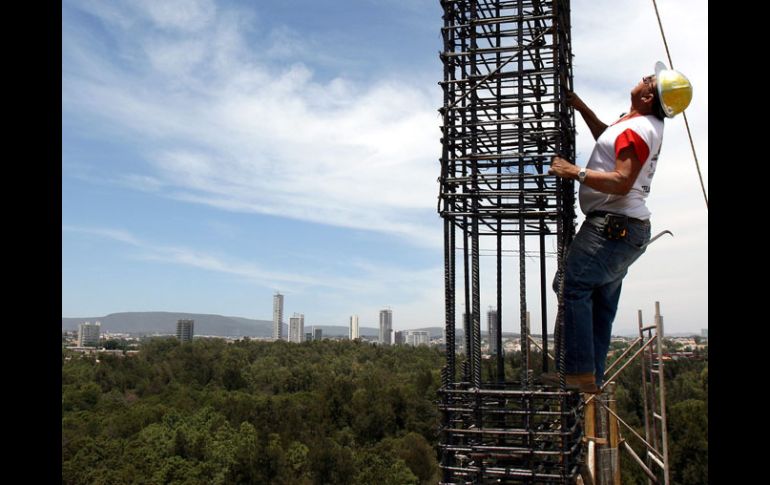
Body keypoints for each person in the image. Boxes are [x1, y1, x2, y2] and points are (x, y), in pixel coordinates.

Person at [544, 62, 692, 393]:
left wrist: (575, 172)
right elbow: (606, 139)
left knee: (572, 284)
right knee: (597, 298)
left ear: (651, 94)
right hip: (625, 231)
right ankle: (589, 374)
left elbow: (622, 181)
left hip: (613, 227)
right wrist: (582, 108)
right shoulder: (637, 124)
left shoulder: (638, 130)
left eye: (648, 80)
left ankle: (578, 371)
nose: (641, 79)